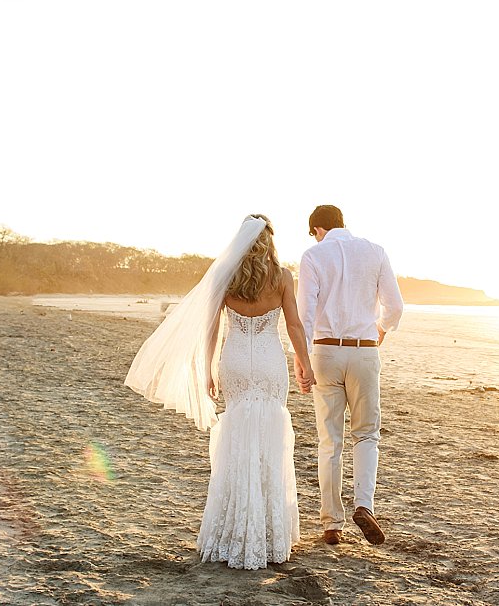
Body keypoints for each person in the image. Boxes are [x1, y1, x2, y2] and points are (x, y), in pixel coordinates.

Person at [125, 215, 315, 569]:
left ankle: (234, 526)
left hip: (236, 360)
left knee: (238, 433)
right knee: (270, 435)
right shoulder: (283, 277)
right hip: (271, 362)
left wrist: (208, 367)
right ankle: (271, 533)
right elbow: (293, 324)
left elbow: (211, 327)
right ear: (270, 241)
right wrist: (304, 363)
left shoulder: (226, 276)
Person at [297, 204, 403, 545]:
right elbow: (395, 307)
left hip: (325, 349)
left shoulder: (313, 255)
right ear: (342, 223)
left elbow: (305, 313)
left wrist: (302, 360)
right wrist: (381, 331)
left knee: (330, 441)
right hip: (364, 351)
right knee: (367, 435)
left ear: (317, 229)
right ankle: (364, 504)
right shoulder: (375, 251)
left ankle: (331, 526)